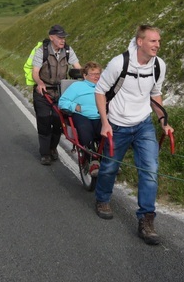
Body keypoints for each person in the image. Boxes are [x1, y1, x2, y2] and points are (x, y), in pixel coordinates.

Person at [93, 24, 174, 245]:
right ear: (140, 42)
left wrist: (164, 122)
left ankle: (146, 220)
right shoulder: (119, 63)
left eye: (158, 41)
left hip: (143, 125)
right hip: (117, 125)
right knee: (109, 167)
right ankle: (102, 199)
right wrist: (105, 122)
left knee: (150, 170)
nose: (157, 45)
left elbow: (155, 94)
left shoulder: (159, 65)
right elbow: (100, 91)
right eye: (153, 41)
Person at [32, 24, 81, 166]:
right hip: (43, 90)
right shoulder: (42, 51)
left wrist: (88, 78)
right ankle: (45, 153)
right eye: (60, 37)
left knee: (58, 121)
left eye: (64, 37)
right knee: (44, 120)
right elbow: (35, 72)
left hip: (60, 91)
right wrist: (40, 83)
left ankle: (53, 148)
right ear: (51, 37)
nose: (63, 40)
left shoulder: (68, 50)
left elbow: (77, 67)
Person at [58, 61, 103, 175]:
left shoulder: (104, 87)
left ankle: (109, 160)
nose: (96, 76)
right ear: (85, 75)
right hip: (82, 115)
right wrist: (75, 107)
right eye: (93, 74)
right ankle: (92, 161)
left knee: (109, 133)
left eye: (98, 73)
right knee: (84, 129)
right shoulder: (77, 86)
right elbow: (62, 102)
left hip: (100, 116)